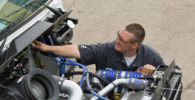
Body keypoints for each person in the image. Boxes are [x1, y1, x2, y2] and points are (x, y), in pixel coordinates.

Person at [34, 23, 164, 75]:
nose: (117, 41)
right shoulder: (107, 49)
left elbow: (170, 82)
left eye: (122, 40)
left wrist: (156, 73)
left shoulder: (152, 57)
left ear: (134, 45)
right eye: (118, 35)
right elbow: (77, 50)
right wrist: (48, 48)